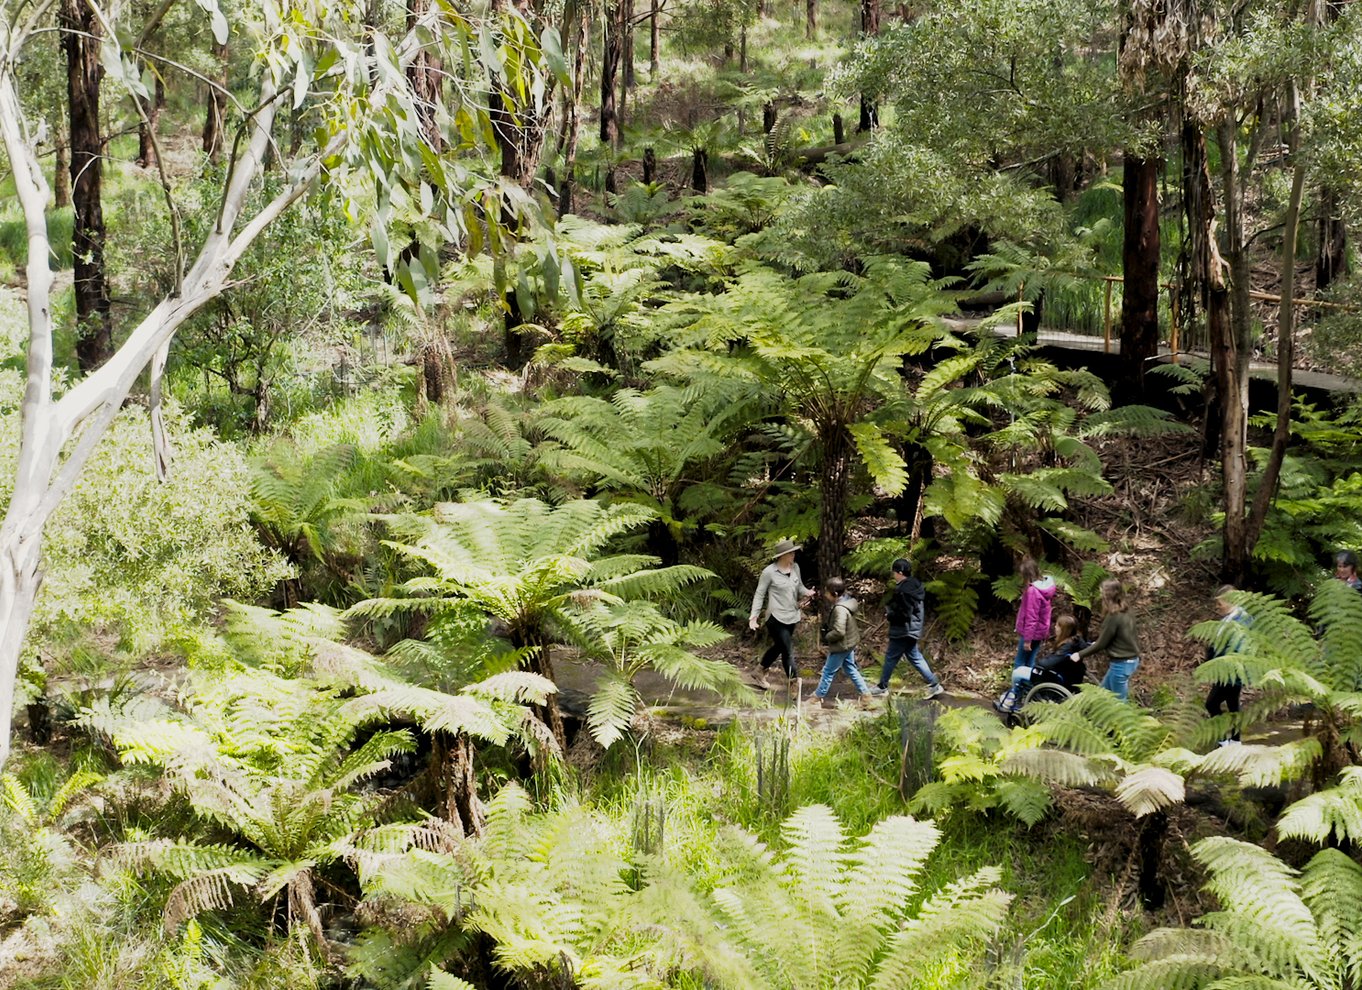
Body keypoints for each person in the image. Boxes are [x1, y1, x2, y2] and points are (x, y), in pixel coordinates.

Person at [749, 538, 814, 689]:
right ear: (782, 555)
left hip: (792, 615)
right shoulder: (769, 572)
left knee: (780, 646)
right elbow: (759, 594)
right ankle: (793, 683)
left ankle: (759, 671)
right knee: (788, 650)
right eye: (790, 553)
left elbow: (800, 588)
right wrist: (754, 616)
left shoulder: (795, 567)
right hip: (775, 617)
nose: (793, 555)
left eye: (793, 552)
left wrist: (808, 592)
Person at [876, 558, 944, 698]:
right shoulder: (915, 585)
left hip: (903, 630)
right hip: (912, 629)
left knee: (890, 657)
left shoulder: (903, 590)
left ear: (900, 573)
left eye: (894, 572)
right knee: (915, 657)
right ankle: (934, 684)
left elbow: (904, 613)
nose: (893, 575)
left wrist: (890, 614)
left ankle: (882, 686)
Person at [995, 614, 1088, 714]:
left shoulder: (1066, 647)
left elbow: (1048, 663)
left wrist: (1038, 663)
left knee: (1017, 673)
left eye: (1057, 625)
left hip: (1054, 677)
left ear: (1063, 630)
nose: (1055, 627)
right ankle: (1016, 696)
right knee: (1022, 671)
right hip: (1064, 676)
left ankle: (1014, 700)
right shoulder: (1077, 642)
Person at [814, 578, 885, 706]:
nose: (825, 594)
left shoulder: (840, 609)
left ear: (835, 594)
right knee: (851, 669)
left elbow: (839, 631)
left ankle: (817, 697)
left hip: (841, 646)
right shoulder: (847, 602)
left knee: (828, 671)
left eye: (827, 592)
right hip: (849, 643)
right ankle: (866, 695)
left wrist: (827, 637)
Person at [1071, 578, 1141, 701]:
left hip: (1122, 664)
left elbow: (1101, 644)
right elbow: (1118, 637)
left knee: (1119, 704)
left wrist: (1079, 655)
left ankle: (1121, 721)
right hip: (1130, 660)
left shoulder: (1113, 616)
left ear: (1107, 596)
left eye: (1101, 592)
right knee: (1102, 696)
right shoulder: (1127, 610)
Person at [1204, 585, 1252, 745]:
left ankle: (1224, 739)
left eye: (1220, 603)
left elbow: (1236, 647)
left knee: (1211, 703)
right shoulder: (1230, 618)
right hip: (1225, 670)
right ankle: (1235, 740)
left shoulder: (1242, 620)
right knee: (1233, 704)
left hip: (1232, 671)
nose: (1217, 607)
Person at [1013, 557, 1058, 669]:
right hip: (1040, 631)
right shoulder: (1045, 586)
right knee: (1030, 661)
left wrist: (1027, 640)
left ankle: (1017, 686)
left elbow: (1032, 617)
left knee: (1019, 662)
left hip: (1031, 633)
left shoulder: (1033, 591)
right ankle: (1029, 685)